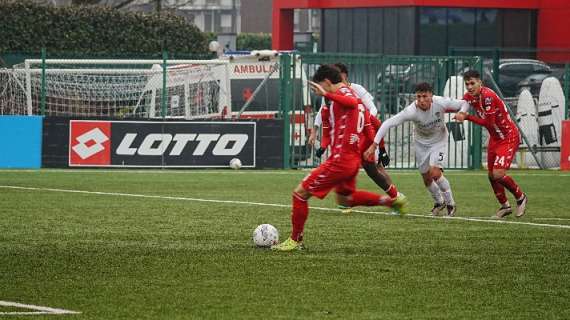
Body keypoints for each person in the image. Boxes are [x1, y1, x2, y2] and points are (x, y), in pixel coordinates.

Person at [271, 65, 407, 252]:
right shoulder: (348, 94)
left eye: (320, 87)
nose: (320, 91)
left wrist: (326, 95)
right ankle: (390, 201)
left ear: (326, 82)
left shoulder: (344, 94)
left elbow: (351, 103)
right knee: (345, 200)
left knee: (299, 194)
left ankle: (295, 240)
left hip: (340, 161)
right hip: (351, 160)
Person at [307, 63, 402, 211]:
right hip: (349, 146)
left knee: (374, 169)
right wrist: (319, 137)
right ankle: (391, 199)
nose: (335, 78)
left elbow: (372, 116)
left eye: (338, 74)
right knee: (350, 186)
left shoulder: (352, 91)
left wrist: (378, 146)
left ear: (344, 75)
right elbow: (323, 118)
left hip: (359, 141)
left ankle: (395, 197)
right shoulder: (331, 101)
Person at [365, 82, 468, 217]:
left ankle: (451, 204)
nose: (421, 100)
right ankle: (439, 202)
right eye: (418, 97)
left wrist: (461, 112)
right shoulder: (411, 110)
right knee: (426, 178)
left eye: (424, 96)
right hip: (421, 144)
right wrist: (374, 145)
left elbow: (465, 103)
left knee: (435, 173)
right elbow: (387, 124)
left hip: (439, 141)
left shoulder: (441, 102)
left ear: (431, 95)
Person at [454, 70, 527, 218]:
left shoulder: (488, 97)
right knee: (491, 175)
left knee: (498, 174)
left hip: (508, 136)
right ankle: (505, 206)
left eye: (472, 83)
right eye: (467, 84)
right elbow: (460, 105)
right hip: (495, 138)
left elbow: (488, 123)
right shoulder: (469, 96)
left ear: (480, 83)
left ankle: (521, 197)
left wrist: (467, 117)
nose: (469, 87)